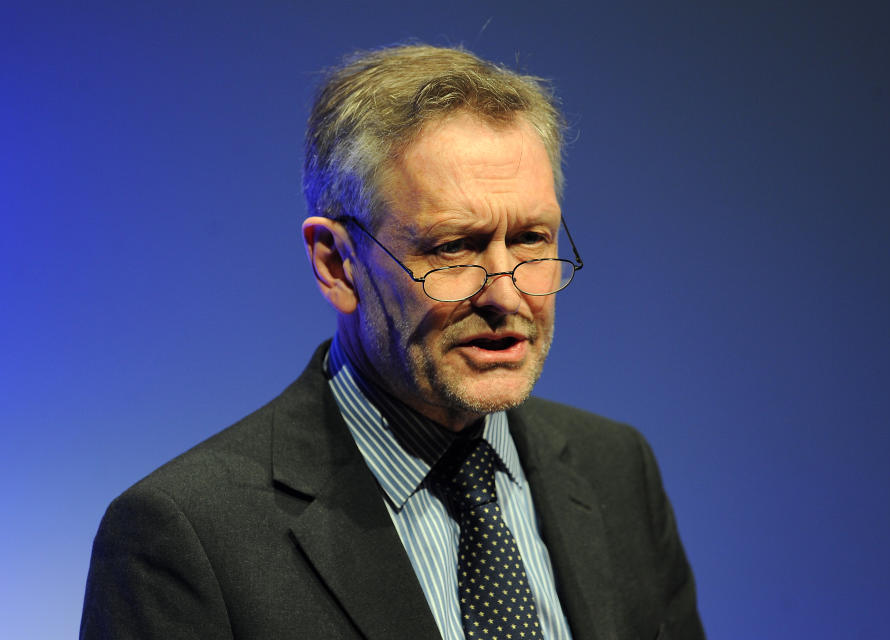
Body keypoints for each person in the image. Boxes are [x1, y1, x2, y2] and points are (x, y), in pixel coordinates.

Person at [81, 44, 704, 640]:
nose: (506, 296)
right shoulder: (184, 536)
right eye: (453, 247)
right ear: (337, 264)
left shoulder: (617, 470)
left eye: (531, 241)